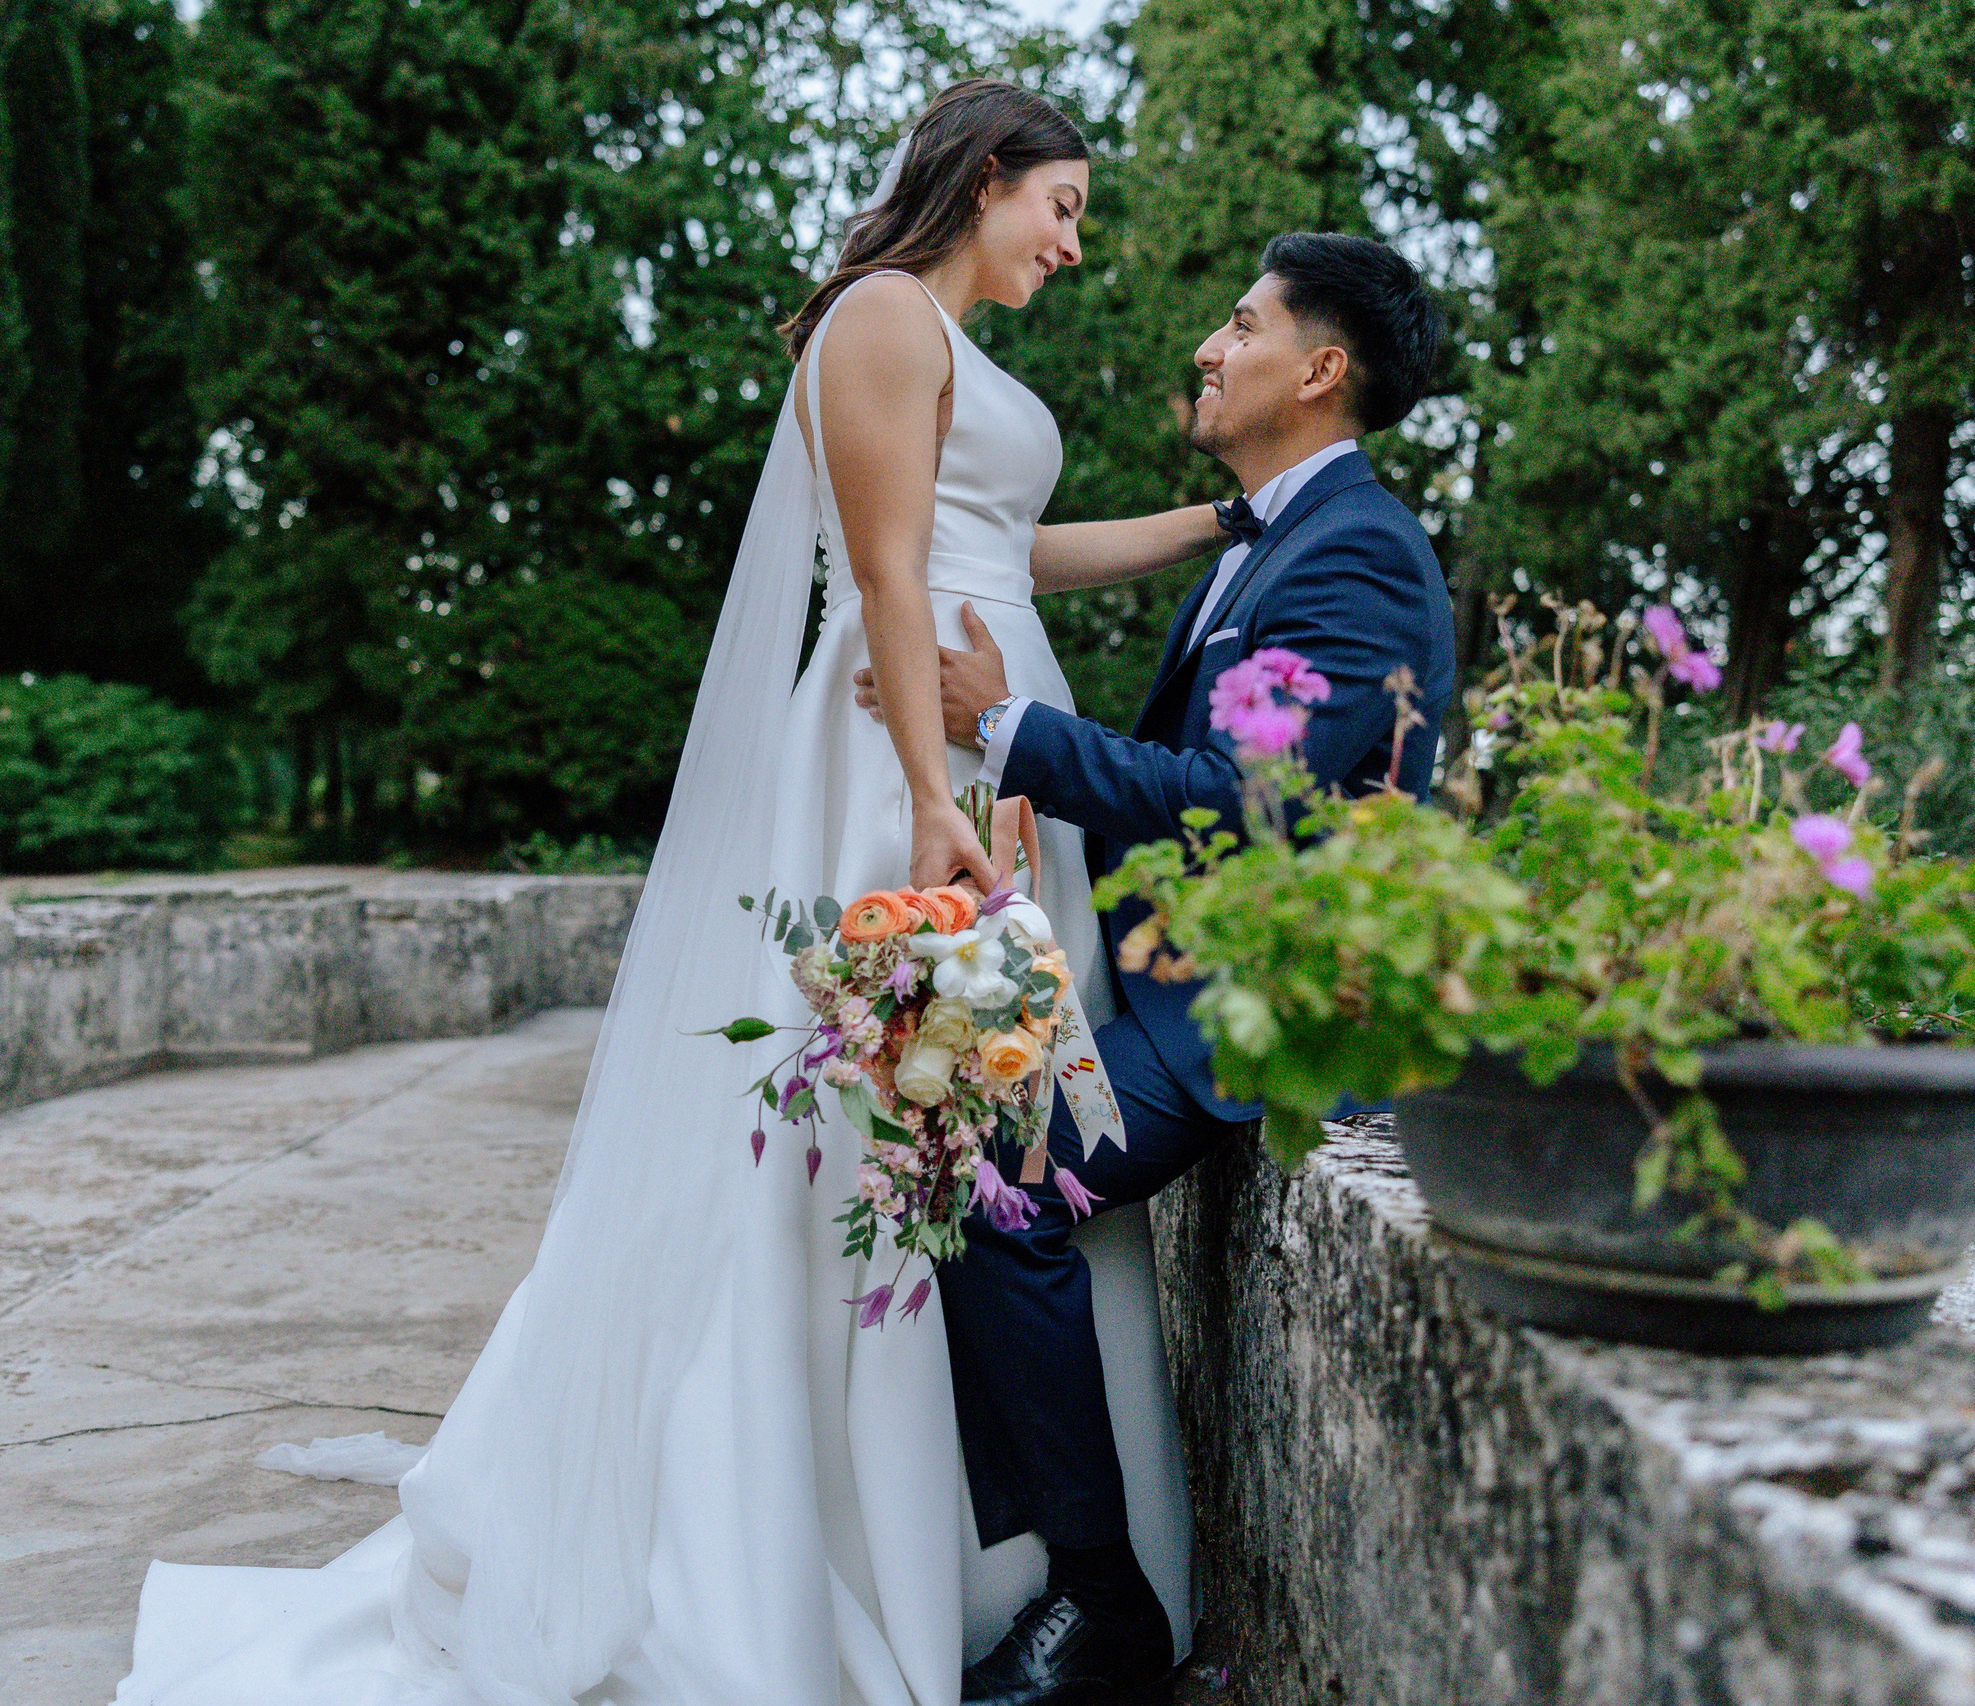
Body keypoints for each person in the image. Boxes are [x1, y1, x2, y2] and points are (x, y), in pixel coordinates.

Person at [111, 79, 1222, 1706]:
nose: (1075, 238)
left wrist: (1220, 520)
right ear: (988, 177)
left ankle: (1014, 1565)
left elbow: (1008, 548)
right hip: (907, 773)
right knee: (897, 1144)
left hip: (985, 746)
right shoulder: (882, 316)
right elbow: (897, 574)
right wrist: (929, 798)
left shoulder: (953, 345)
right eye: (1060, 202)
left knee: (988, 1143)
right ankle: (812, 1549)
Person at [856, 232, 1454, 1706]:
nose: (1210, 343)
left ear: (1317, 369)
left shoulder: (1361, 549)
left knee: (988, 1182)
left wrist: (1005, 731)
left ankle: (1098, 1605)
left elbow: (1259, 795)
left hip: (1257, 1019)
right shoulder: (1281, 534)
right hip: (1168, 977)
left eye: (1240, 324)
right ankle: (1024, 1572)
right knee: (939, 1124)